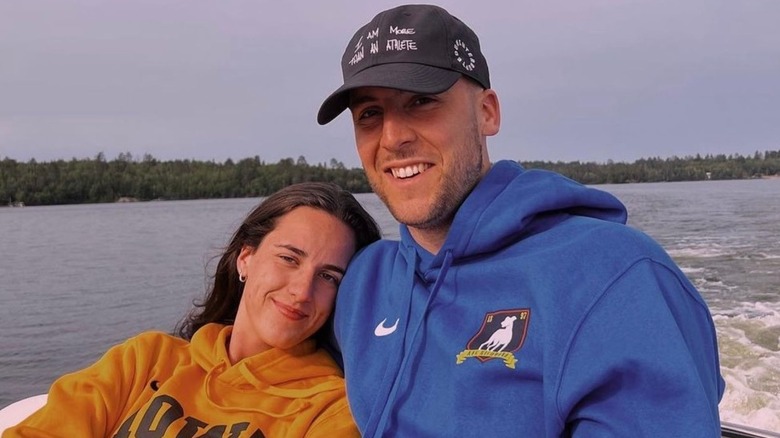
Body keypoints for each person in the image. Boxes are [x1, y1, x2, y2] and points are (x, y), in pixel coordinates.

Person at [317, 4, 725, 437]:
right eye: (369, 114)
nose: (393, 137)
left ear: (487, 113)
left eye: (421, 102)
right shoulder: (365, 281)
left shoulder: (614, 276)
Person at [5, 182, 381, 437]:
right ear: (245, 258)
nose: (302, 291)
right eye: (288, 258)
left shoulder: (330, 410)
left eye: (330, 277)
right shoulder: (146, 360)